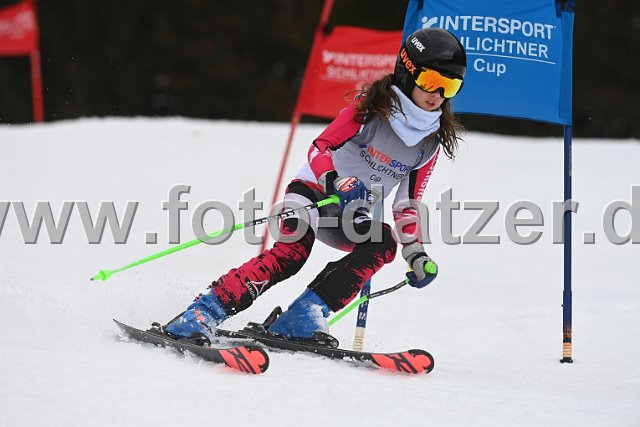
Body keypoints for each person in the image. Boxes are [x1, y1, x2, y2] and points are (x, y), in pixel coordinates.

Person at [163, 28, 467, 344]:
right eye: (431, 80)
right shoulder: (371, 110)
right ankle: (202, 312)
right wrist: (333, 180)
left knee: (383, 242)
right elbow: (320, 148)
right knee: (290, 255)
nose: (438, 94)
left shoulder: (429, 144)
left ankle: (303, 316)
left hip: (351, 214)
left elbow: (407, 205)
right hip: (313, 194)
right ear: (408, 72)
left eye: (450, 86)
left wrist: (415, 254)